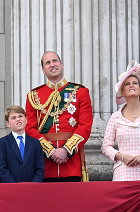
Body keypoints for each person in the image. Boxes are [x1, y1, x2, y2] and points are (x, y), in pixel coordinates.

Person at [25, 51, 93, 182]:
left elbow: (85, 126)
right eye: (47, 63)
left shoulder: (80, 92)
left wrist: (66, 150)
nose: (52, 65)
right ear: (43, 70)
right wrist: (50, 151)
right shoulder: (34, 96)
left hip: (71, 163)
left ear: (61, 65)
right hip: (44, 164)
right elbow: (30, 129)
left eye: (55, 61)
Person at [0, 105, 45, 182]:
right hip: (10, 188)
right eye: (13, 118)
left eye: (20, 116)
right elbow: (1, 168)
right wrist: (15, 186)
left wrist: (33, 184)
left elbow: (40, 168)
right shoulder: (3, 142)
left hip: (32, 188)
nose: (18, 119)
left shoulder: (35, 143)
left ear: (26, 120)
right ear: (8, 124)